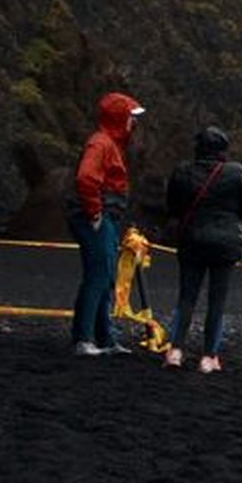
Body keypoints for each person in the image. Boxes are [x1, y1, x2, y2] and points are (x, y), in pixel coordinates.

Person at [164, 126, 242, 373]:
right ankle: (209, 357)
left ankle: (175, 351)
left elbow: (172, 206)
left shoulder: (182, 171)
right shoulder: (236, 172)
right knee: (217, 300)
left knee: (186, 297)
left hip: (192, 239)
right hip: (225, 242)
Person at [67, 91, 145, 356]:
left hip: (105, 218)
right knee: (98, 276)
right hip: (95, 220)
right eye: (130, 118)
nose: (133, 124)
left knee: (106, 277)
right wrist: (94, 212)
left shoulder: (110, 144)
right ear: (120, 118)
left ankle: (104, 338)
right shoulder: (100, 143)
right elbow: (85, 178)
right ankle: (84, 339)